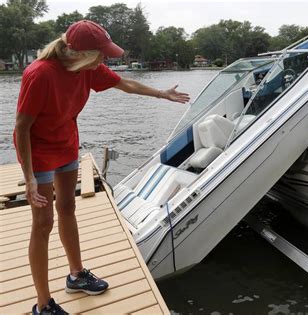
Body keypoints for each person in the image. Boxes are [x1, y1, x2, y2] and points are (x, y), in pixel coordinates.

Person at [14, 20, 190, 315]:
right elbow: (21, 128)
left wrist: (161, 94)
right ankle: (43, 304)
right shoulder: (40, 74)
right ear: (78, 51)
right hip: (39, 151)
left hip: (66, 144)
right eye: (101, 53)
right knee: (42, 224)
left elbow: (125, 84)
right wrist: (29, 177)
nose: (105, 58)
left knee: (68, 207)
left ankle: (76, 275)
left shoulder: (89, 68)